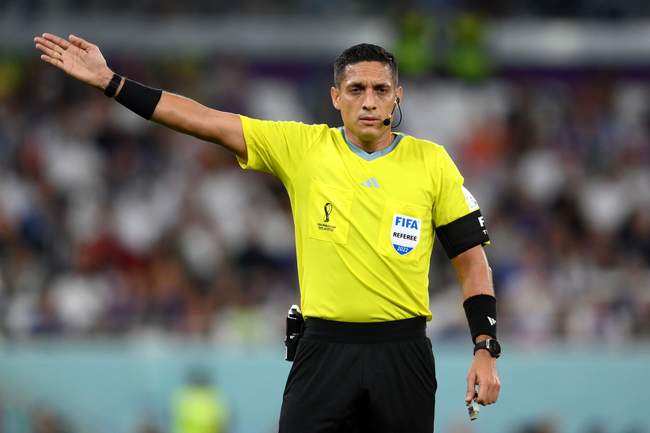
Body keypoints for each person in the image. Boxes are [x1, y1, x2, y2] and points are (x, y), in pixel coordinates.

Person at [33, 33, 501, 433]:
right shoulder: (302, 147)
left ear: (398, 95)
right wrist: (112, 82)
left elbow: (471, 260)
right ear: (335, 96)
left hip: (402, 352)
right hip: (323, 350)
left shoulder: (431, 162)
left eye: (380, 89)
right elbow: (204, 120)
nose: (368, 101)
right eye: (356, 89)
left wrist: (484, 348)